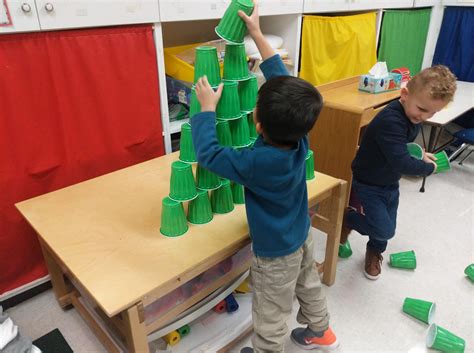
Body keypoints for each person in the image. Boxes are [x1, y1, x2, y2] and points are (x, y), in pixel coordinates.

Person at [190, 4, 339, 352]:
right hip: (301, 232)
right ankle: (322, 331)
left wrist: (206, 110)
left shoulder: (257, 161)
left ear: (256, 124)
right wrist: (257, 33)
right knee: (309, 283)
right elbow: (280, 79)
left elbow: (209, 156)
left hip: (274, 253)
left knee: (270, 312)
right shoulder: (300, 136)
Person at [341, 65, 457, 280]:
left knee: (385, 226)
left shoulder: (412, 114)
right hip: (369, 182)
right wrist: (428, 168)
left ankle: (375, 250)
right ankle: (349, 218)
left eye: (433, 112)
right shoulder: (391, 121)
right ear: (404, 94)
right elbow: (402, 162)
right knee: (385, 230)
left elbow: (401, 146)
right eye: (422, 109)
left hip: (389, 181)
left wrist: (421, 154)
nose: (425, 116)